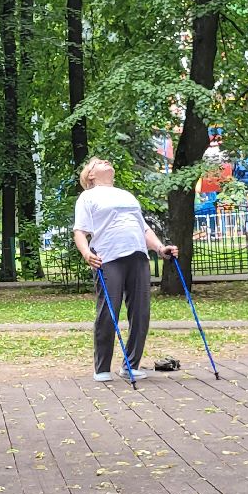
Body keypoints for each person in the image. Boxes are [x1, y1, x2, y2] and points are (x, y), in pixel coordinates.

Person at [72, 157, 178, 382]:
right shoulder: (87, 197)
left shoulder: (126, 195)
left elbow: (144, 228)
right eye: (99, 162)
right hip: (108, 257)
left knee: (141, 313)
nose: (106, 161)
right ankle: (102, 368)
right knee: (108, 312)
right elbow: (80, 231)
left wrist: (160, 248)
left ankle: (131, 364)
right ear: (91, 175)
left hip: (138, 256)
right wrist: (86, 253)